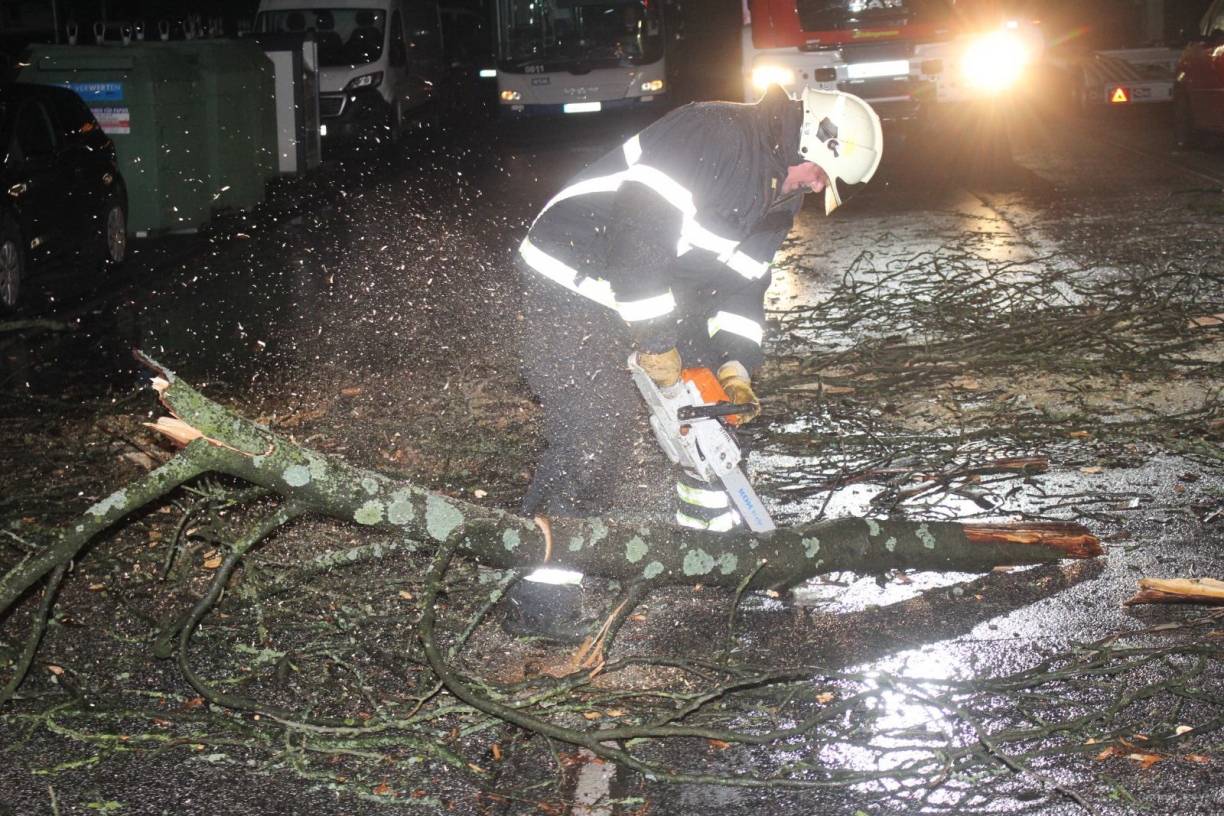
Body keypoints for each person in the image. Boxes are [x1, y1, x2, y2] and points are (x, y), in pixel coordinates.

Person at [506, 86, 883, 640]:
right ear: (810, 138)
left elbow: (743, 286)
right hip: (574, 284)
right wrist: (657, 342)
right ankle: (539, 601)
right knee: (594, 440)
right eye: (822, 174)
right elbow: (638, 242)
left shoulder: (780, 195)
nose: (819, 186)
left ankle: (709, 562)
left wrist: (735, 366)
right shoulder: (713, 133)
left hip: (656, 298)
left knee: (714, 425)